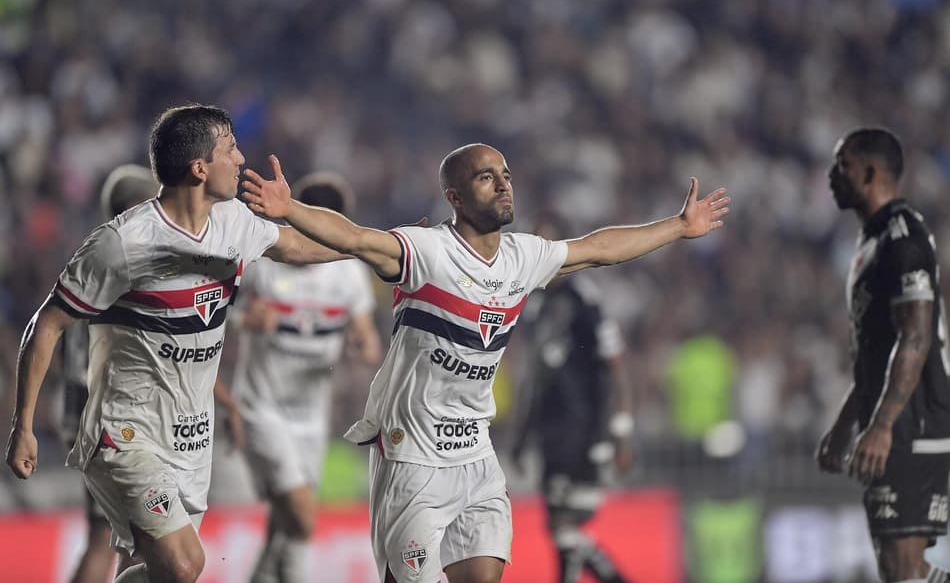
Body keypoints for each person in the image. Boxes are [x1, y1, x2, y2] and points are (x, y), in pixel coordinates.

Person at [241, 143, 729, 583]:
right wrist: (291, 210)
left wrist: (679, 227)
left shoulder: (523, 258)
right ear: (454, 197)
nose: (503, 184)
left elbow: (597, 249)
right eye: (486, 177)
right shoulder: (428, 252)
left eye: (506, 174)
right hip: (413, 454)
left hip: (475, 454)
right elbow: (355, 239)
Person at [4, 104, 345, 583]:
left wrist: (379, 247)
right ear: (200, 167)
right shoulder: (122, 243)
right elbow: (46, 325)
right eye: (230, 149)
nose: (242, 158)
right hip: (126, 432)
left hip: (190, 436)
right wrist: (24, 426)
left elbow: (300, 247)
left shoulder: (234, 223)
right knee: (185, 564)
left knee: (165, 573)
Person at [228, 172, 383, 583]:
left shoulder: (349, 273)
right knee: (301, 515)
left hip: (311, 415)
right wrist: (244, 319)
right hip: (261, 407)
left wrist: (365, 344)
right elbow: (218, 314)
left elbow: (366, 334)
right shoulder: (264, 262)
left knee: (287, 524)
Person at [816, 127, 950, 583]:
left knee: (902, 569)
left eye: (843, 165)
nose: (833, 176)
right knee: (899, 569)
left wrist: (883, 424)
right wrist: (844, 425)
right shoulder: (872, 240)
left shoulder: (902, 236)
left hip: (914, 423)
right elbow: (878, 353)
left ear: (871, 172)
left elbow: (916, 336)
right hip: (897, 423)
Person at [510, 214, 636, 583]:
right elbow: (533, 377)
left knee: (565, 526)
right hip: (551, 434)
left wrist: (622, 431)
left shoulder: (585, 298)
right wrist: (521, 436)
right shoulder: (533, 305)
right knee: (562, 530)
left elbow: (615, 366)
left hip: (583, 428)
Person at [59, 164, 159, 583]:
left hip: (82, 402)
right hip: (105, 406)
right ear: (136, 207)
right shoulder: (121, 261)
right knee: (106, 535)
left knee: (122, 536)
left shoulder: (91, 256)